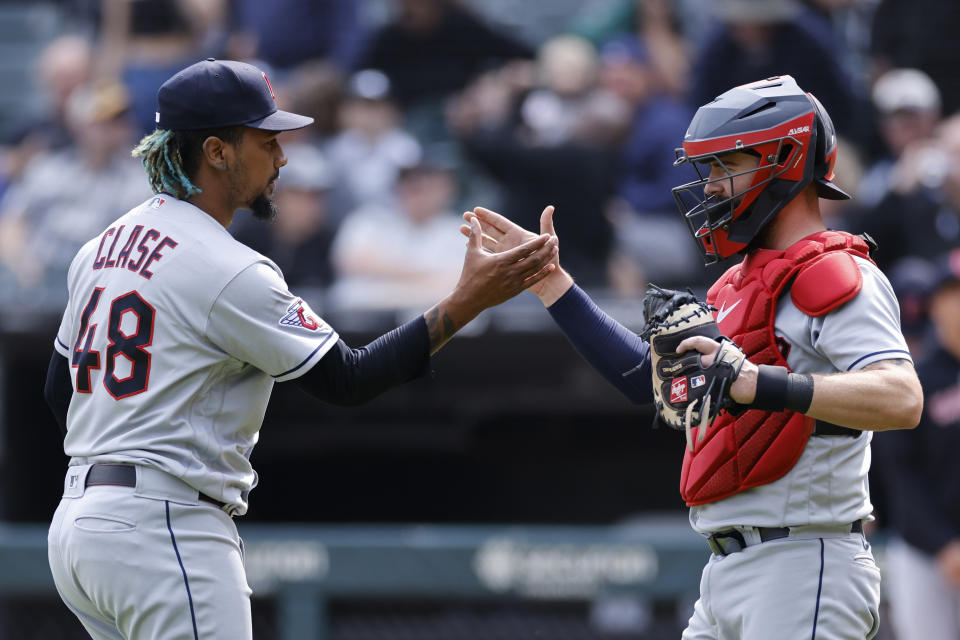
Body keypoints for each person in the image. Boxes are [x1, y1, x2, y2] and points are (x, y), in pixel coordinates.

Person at [42, 58, 558, 640]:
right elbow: (349, 379)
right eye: (267, 142)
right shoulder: (227, 267)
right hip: (165, 527)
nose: (282, 158)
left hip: (78, 526)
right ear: (217, 151)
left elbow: (60, 392)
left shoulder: (101, 247)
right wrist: (467, 301)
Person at [466, 75, 923, 639]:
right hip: (726, 569)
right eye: (708, 171)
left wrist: (763, 383)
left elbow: (901, 397)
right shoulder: (737, 285)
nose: (711, 188)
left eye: (726, 166)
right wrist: (552, 285)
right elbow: (649, 384)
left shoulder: (837, 272)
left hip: (805, 559)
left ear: (786, 158)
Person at [873, 250, 960, 640]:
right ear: (936, 306)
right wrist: (944, 546)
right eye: (952, 295)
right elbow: (902, 477)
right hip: (925, 554)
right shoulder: (916, 382)